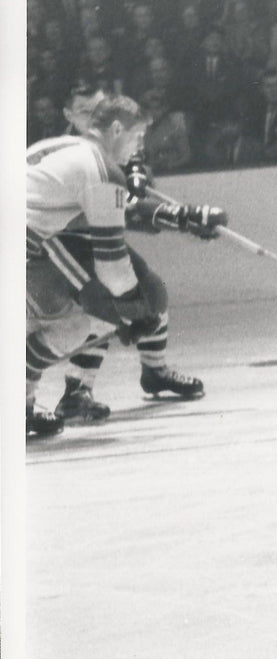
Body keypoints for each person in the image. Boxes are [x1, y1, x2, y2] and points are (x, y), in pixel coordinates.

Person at [26, 93, 221, 436]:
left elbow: (115, 211)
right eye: (137, 137)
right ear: (117, 129)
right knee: (76, 323)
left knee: (87, 316)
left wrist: (181, 217)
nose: (138, 148)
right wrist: (133, 310)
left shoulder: (66, 146)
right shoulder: (100, 168)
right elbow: (112, 260)